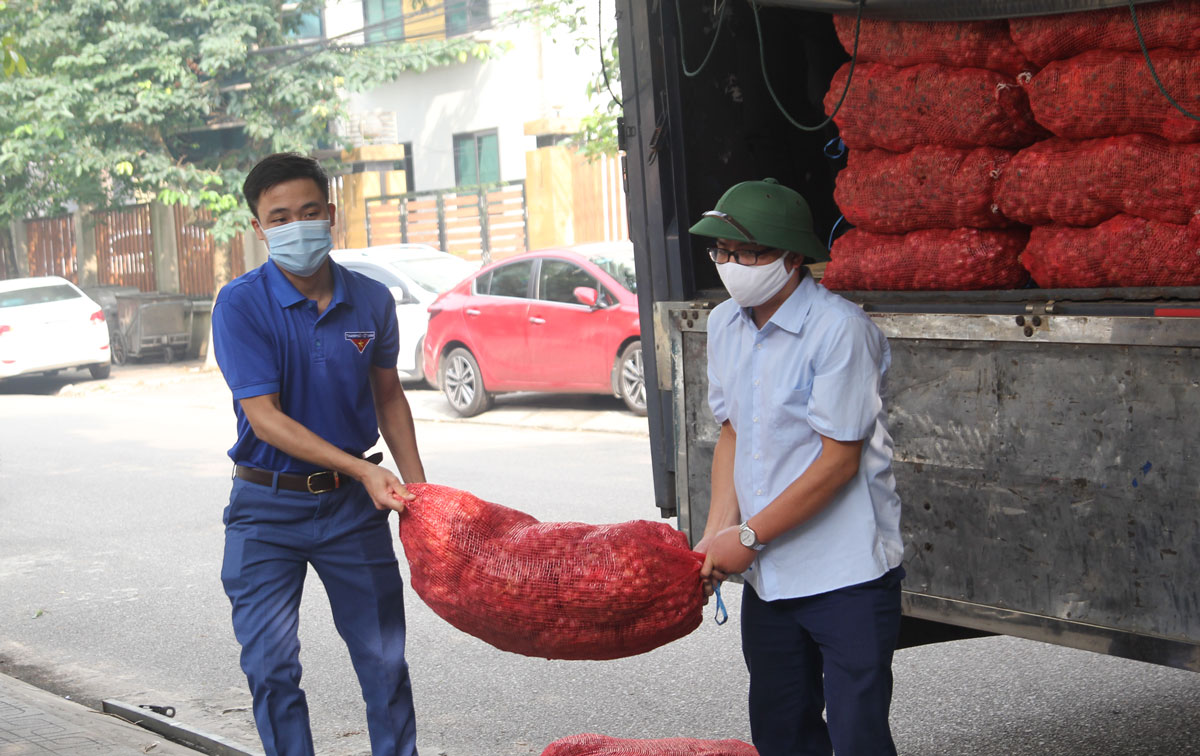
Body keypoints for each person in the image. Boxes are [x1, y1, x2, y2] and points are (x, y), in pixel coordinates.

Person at [211, 152, 425, 756]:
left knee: (385, 664)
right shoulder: (240, 305)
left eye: (308, 211)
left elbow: (389, 397)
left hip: (351, 513)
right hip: (265, 508)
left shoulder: (373, 301)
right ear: (259, 228)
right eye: (278, 217)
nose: (295, 225)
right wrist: (363, 469)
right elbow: (265, 417)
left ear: (330, 215)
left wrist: (421, 492)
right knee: (272, 669)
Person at [691, 178, 905, 756]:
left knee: (858, 738)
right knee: (782, 734)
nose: (731, 265)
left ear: (790, 258)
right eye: (722, 252)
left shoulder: (839, 330)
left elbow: (838, 463)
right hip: (772, 579)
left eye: (747, 252)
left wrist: (750, 535)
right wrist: (717, 532)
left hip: (847, 576)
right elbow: (732, 430)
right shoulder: (723, 325)